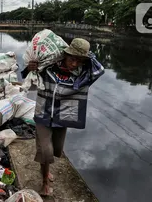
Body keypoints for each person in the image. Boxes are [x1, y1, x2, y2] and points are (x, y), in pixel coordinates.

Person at [24, 38, 104, 196]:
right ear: (65, 55)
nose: (74, 64)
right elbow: (28, 75)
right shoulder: (48, 67)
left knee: (56, 149)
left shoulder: (82, 75)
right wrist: (29, 68)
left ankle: (45, 170)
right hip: (43, 113)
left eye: (79, 60)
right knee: (45, 150)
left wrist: (88, 56)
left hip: (63, 116)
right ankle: (45, 182)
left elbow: (99, 70)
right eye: (72, 58)